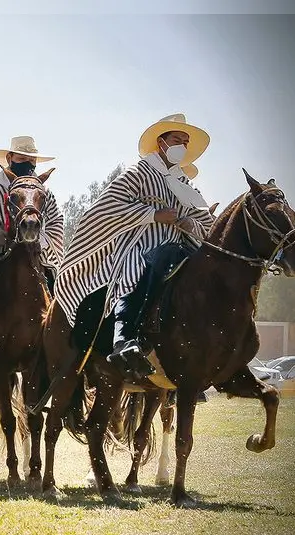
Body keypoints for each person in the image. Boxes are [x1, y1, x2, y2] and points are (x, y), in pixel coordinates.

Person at [54, 113, 214, 378]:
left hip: (178, 247)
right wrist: (152, 215)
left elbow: (205, 223)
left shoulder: (184, 182)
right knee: (139, 269)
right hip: (137, 246)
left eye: (186, 143)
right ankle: (122, 338)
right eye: (178, 140)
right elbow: (106, 207)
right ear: (161, 142)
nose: (182, 147)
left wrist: (189, 224)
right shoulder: (138, 173)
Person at [0, 136, 64, 292]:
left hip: (38, 256)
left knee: (61, 286)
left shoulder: (44, 192)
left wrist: (42, 242)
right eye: (22, 158)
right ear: (9, 158)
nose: (27, 164)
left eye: (31, 160)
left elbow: (56, 221)